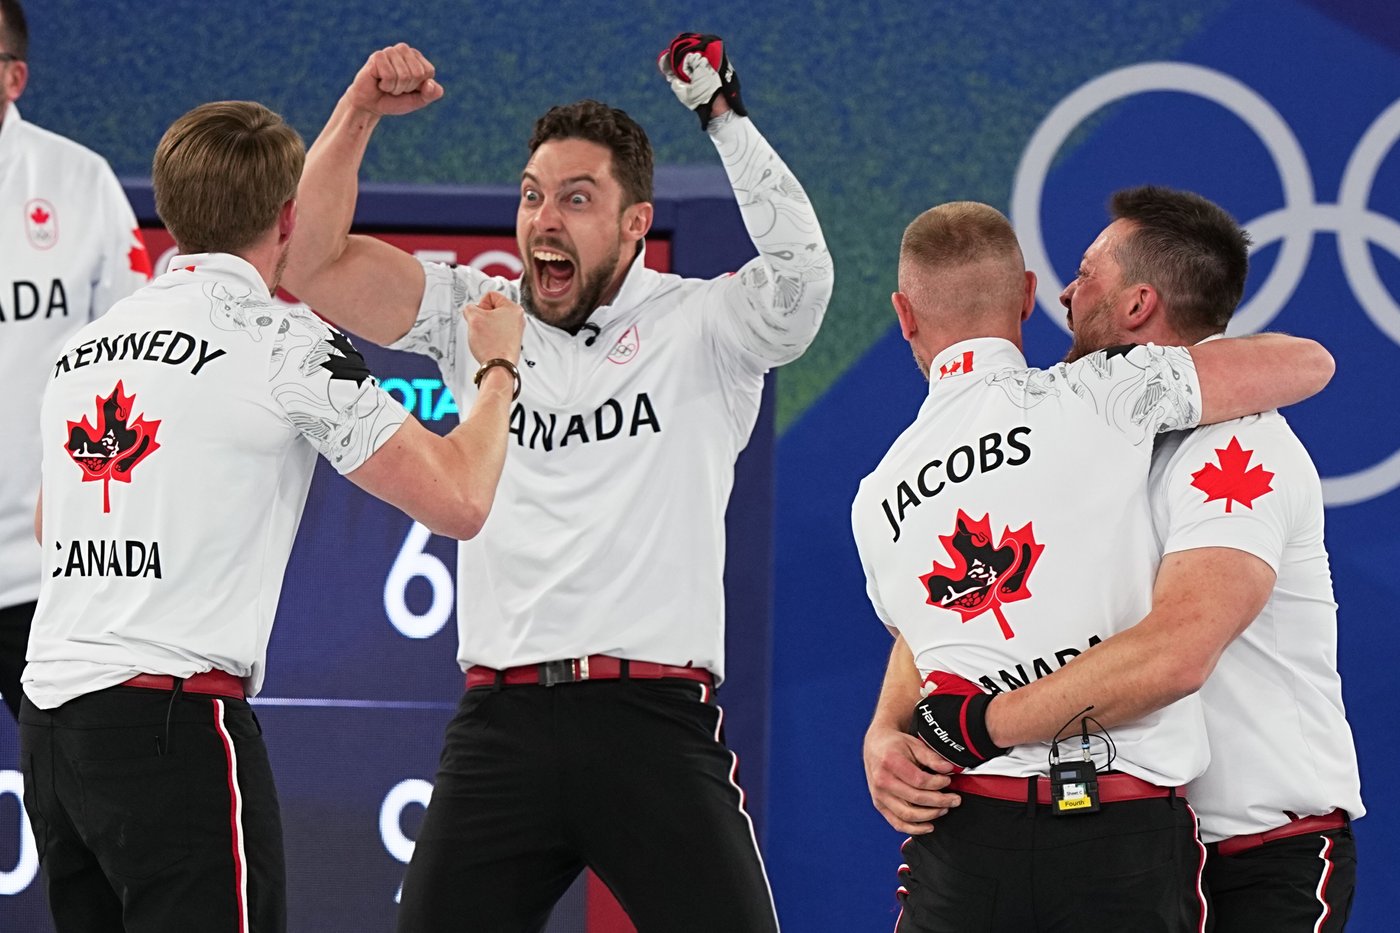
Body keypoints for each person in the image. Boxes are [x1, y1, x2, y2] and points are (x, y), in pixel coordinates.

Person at [281, 36, 833, 933]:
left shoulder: (701, 323)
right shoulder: (479, 315)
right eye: (533, 196)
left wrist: (722, 118)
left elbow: (805, 284)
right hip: (502, 723)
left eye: (577, 200)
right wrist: (357, 114)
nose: (544, 219)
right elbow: (308, 264)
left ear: (633, 224)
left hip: (652, 719)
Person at [20, 99, 524, 933]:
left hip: (54, 732)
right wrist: (498, 363)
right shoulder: (286, 343)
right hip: (172, 726)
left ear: (172, 208)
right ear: (288, 217)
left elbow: (51, 525)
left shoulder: (85, 348)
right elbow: (461, 498)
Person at [884, 187, 1361, 931]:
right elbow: (975, 599)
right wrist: (890, 727)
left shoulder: (1239, 440)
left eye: (1086, 275)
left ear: (1138, 306)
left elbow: (1177, 650)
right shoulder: (1078, 434)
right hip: (1138, 838)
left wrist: (984, 723)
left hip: (1256, 850)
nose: (1068, 296)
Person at [0, 0, 151, 723]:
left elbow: (137, 358)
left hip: (49, 574)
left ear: (14, 77)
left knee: (71, 819)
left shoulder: (79, 183)